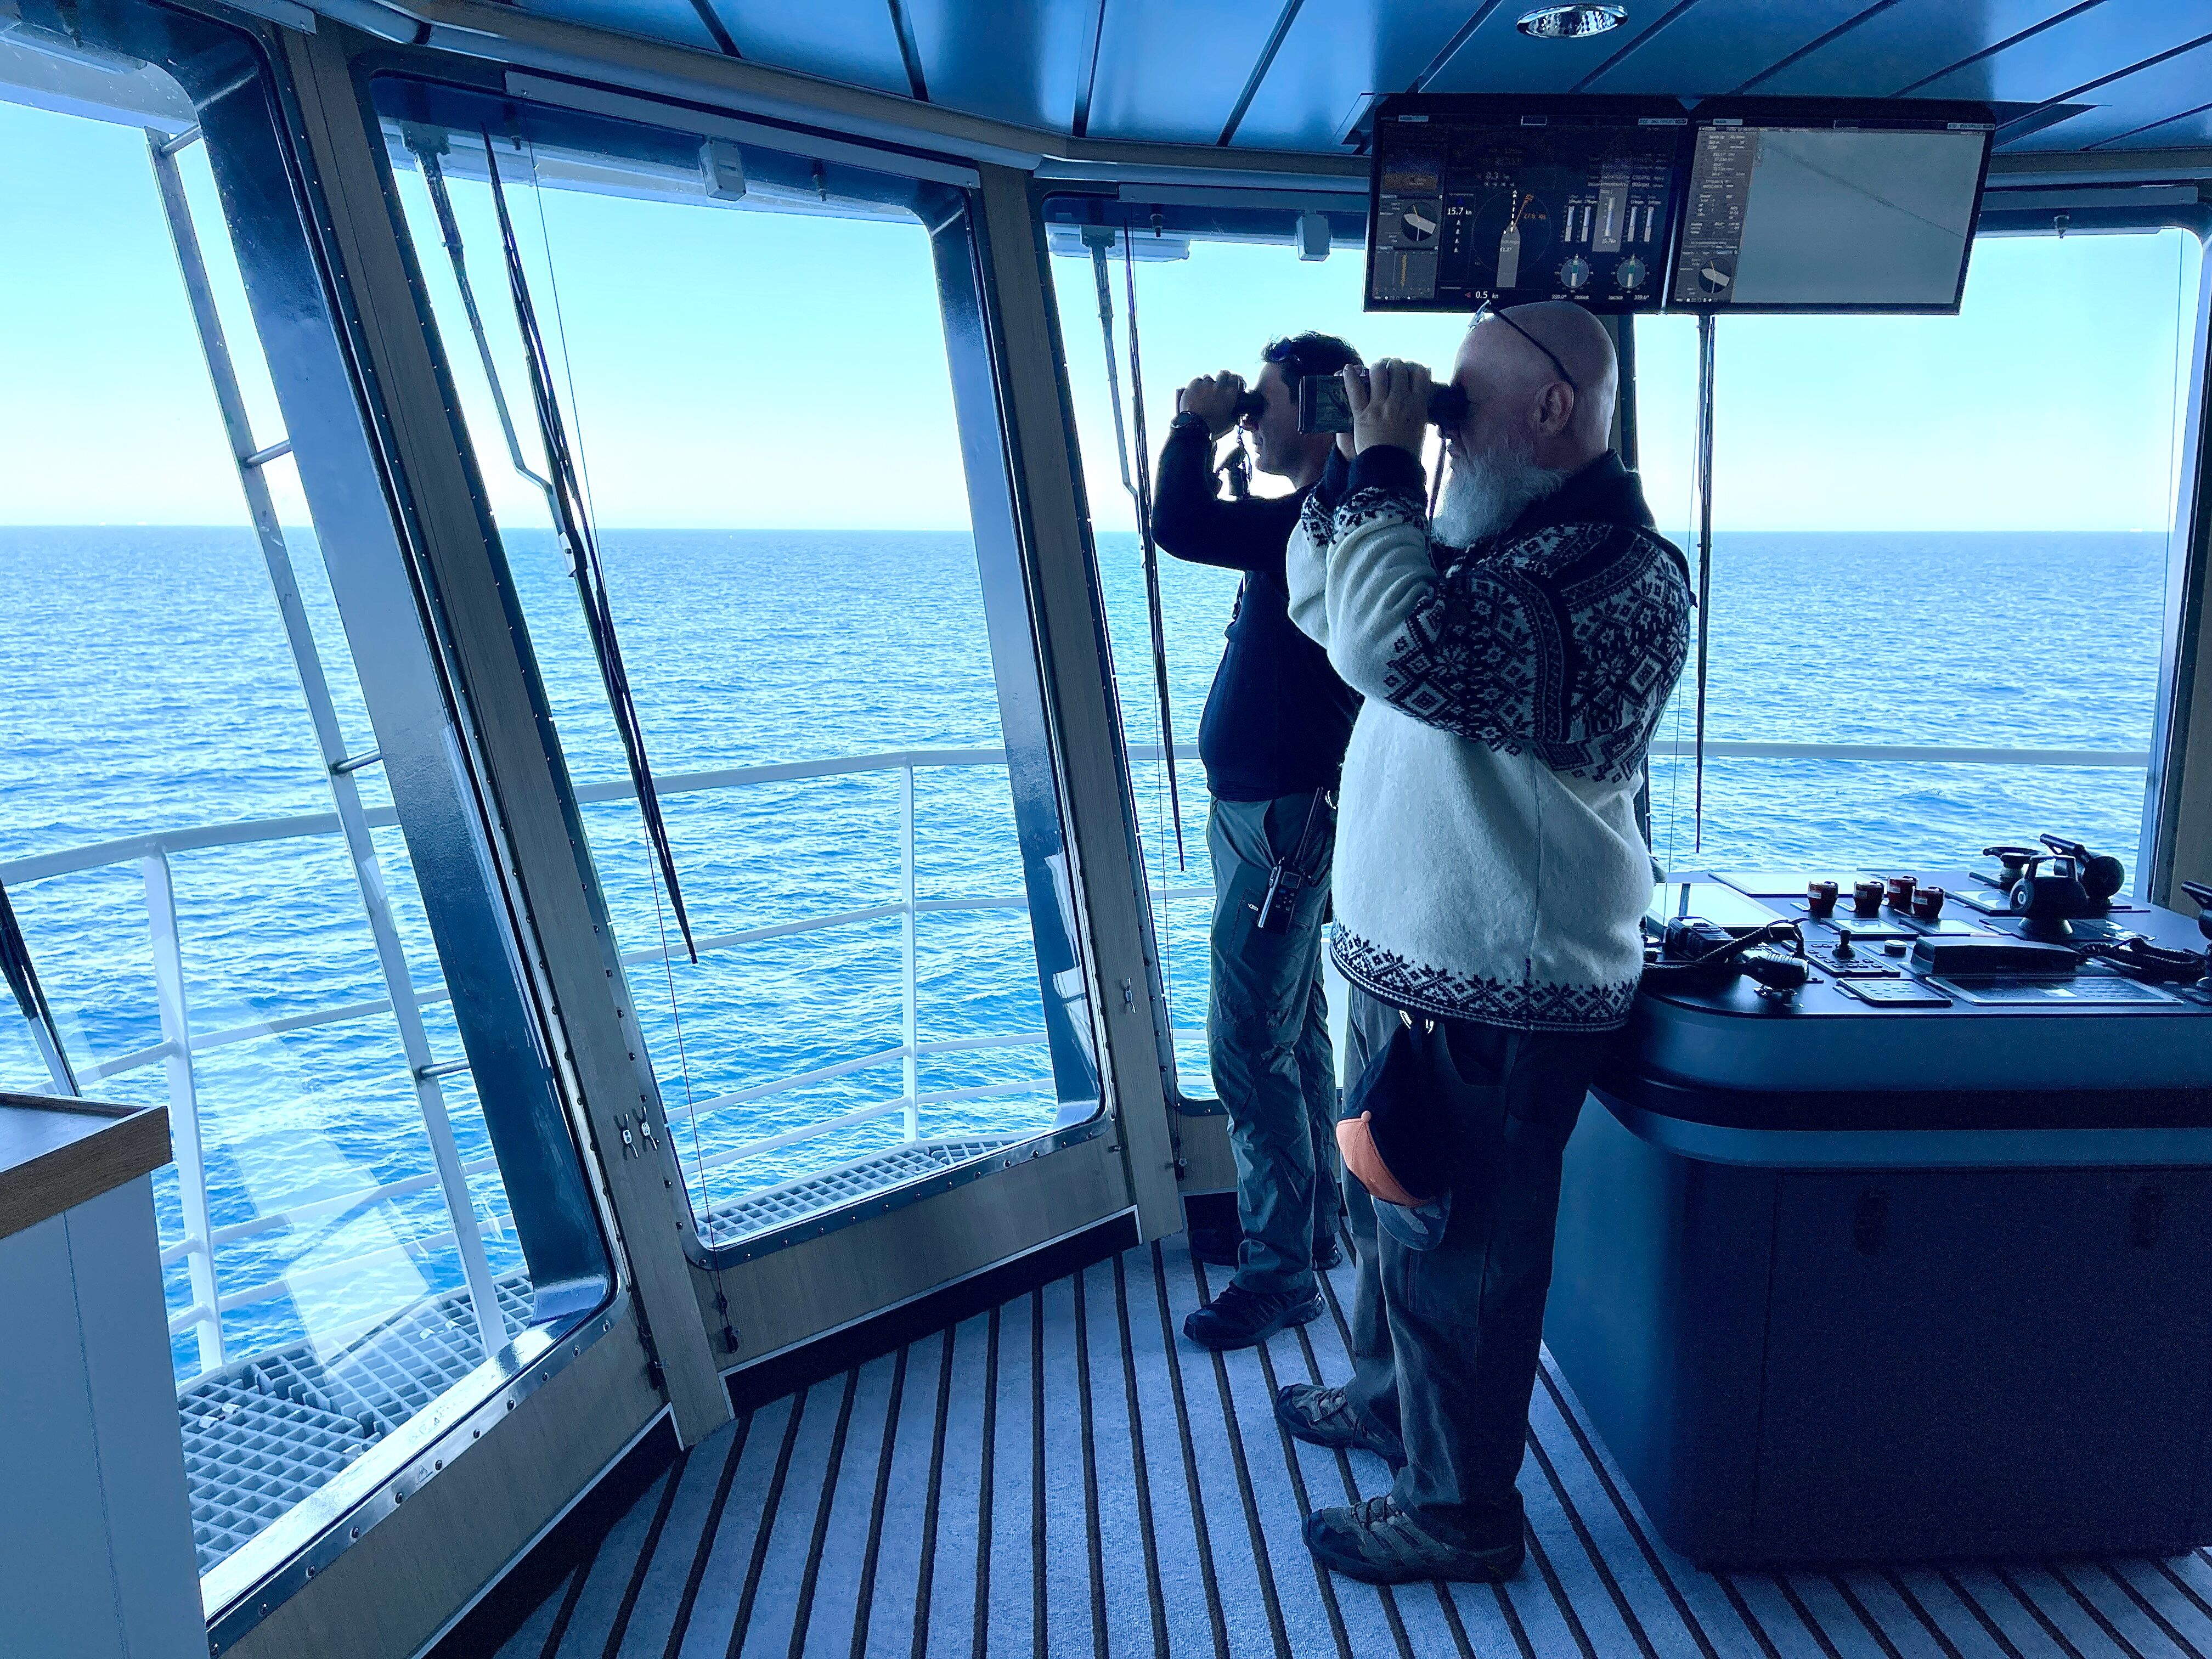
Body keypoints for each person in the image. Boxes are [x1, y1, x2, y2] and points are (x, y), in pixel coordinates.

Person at [1274, 304, 1692, 1582]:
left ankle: (1461, 1516)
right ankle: (1389, 1406)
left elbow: (1388, 643)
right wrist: (1347, 473)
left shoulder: (1619, 575)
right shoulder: (1486, 541)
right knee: (1392, 1217)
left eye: (1464, 400)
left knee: (1458, 1262)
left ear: (1556, 407)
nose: (1443, 424)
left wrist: (1388, 470)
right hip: (1403, 972)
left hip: (1499, 991)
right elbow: (1324, 606)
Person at [1150, 334, 1363, 1352]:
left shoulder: (1325, 517)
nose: (1252, 420)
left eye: (1264, 403)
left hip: (1282, 822)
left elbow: (1180, 523)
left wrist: (1193, 422)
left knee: (1246, 1044)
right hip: (1270, 815)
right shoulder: (1312, 517)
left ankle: (1279, 1273)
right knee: (1293, 1031)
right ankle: (1306, 1231)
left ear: (1319, 411)